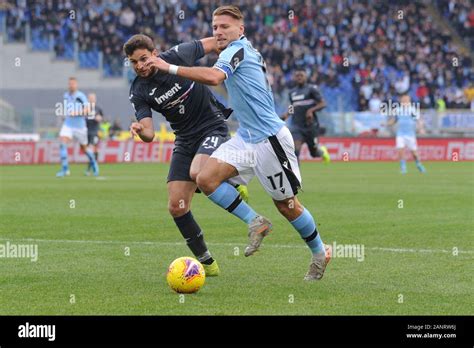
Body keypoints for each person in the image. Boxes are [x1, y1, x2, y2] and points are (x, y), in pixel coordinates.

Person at [148, 5, 331, 280]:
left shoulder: (238, 50)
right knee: (204, 177)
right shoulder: (235, 51)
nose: (218, 32)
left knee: (287, 206)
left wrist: (170, 67)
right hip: (246, 137)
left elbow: (213, 77)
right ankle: (256, 222)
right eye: (215, 28)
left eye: (225, 27)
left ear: (240, 30)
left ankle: (320, 252)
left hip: (270, 139)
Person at [124, 34, 248, 277]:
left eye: (143, 59)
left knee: (200, 173)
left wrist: (234, 44)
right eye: (133, 62)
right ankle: (207, 262)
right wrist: (140, 130)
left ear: (155, 54)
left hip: (213, 125)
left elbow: (215, 43)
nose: (139, 65)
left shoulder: (178, 55)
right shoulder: (138, 91)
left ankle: (229, 179)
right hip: (184, 139)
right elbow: (149, 133)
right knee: (176, 206)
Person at [282, 68, 330, 162]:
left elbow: (323, 103)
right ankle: (295, 175)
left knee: (314, 153)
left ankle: (323, 152)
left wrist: (311, 110)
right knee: (295, 151)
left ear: (306, 77)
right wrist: (285, 115)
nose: (299, 77)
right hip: (297, 126)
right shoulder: (292, 93)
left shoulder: (312, 89)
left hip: (310, 126)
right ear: (294, 78)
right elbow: (293, 107)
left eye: (301, 75)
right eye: (297, 76)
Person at [57, 77, 99, 177]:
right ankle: (65, 169)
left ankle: (93, 163)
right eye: (70, 84)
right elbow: (68, 108)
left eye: (73, 84)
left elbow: (87, 110)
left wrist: (76, 113)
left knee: (84, 149)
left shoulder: (81, 96)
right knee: (62, 143)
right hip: (68, 124)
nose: (71, 85)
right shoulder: (66, 95)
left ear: (76, 85)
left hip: (80, 126)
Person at [387, 94, 426, 174]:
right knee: (400, 150)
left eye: (406, 100)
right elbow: (394, 120)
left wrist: (421, 128)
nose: (405, 102)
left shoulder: (412, 110)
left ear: (409, 101)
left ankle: (418, 164)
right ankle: (403, 167)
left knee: (414, 153)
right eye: (403, 100)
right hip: (400, 134)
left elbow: (418, 120)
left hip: (410, 134)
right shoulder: (398, 110)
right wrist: (386, 124)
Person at [85, 93, 103, 176]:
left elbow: (101, 117)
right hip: (86, 132)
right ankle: (90, 168)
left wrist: (99, 118)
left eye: (93, 98)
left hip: (95, 132)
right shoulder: (85, 109)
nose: (92, 99)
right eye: (90, 98)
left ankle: (92, 169)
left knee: (93, 149)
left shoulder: (98, 109)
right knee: (89, 151)